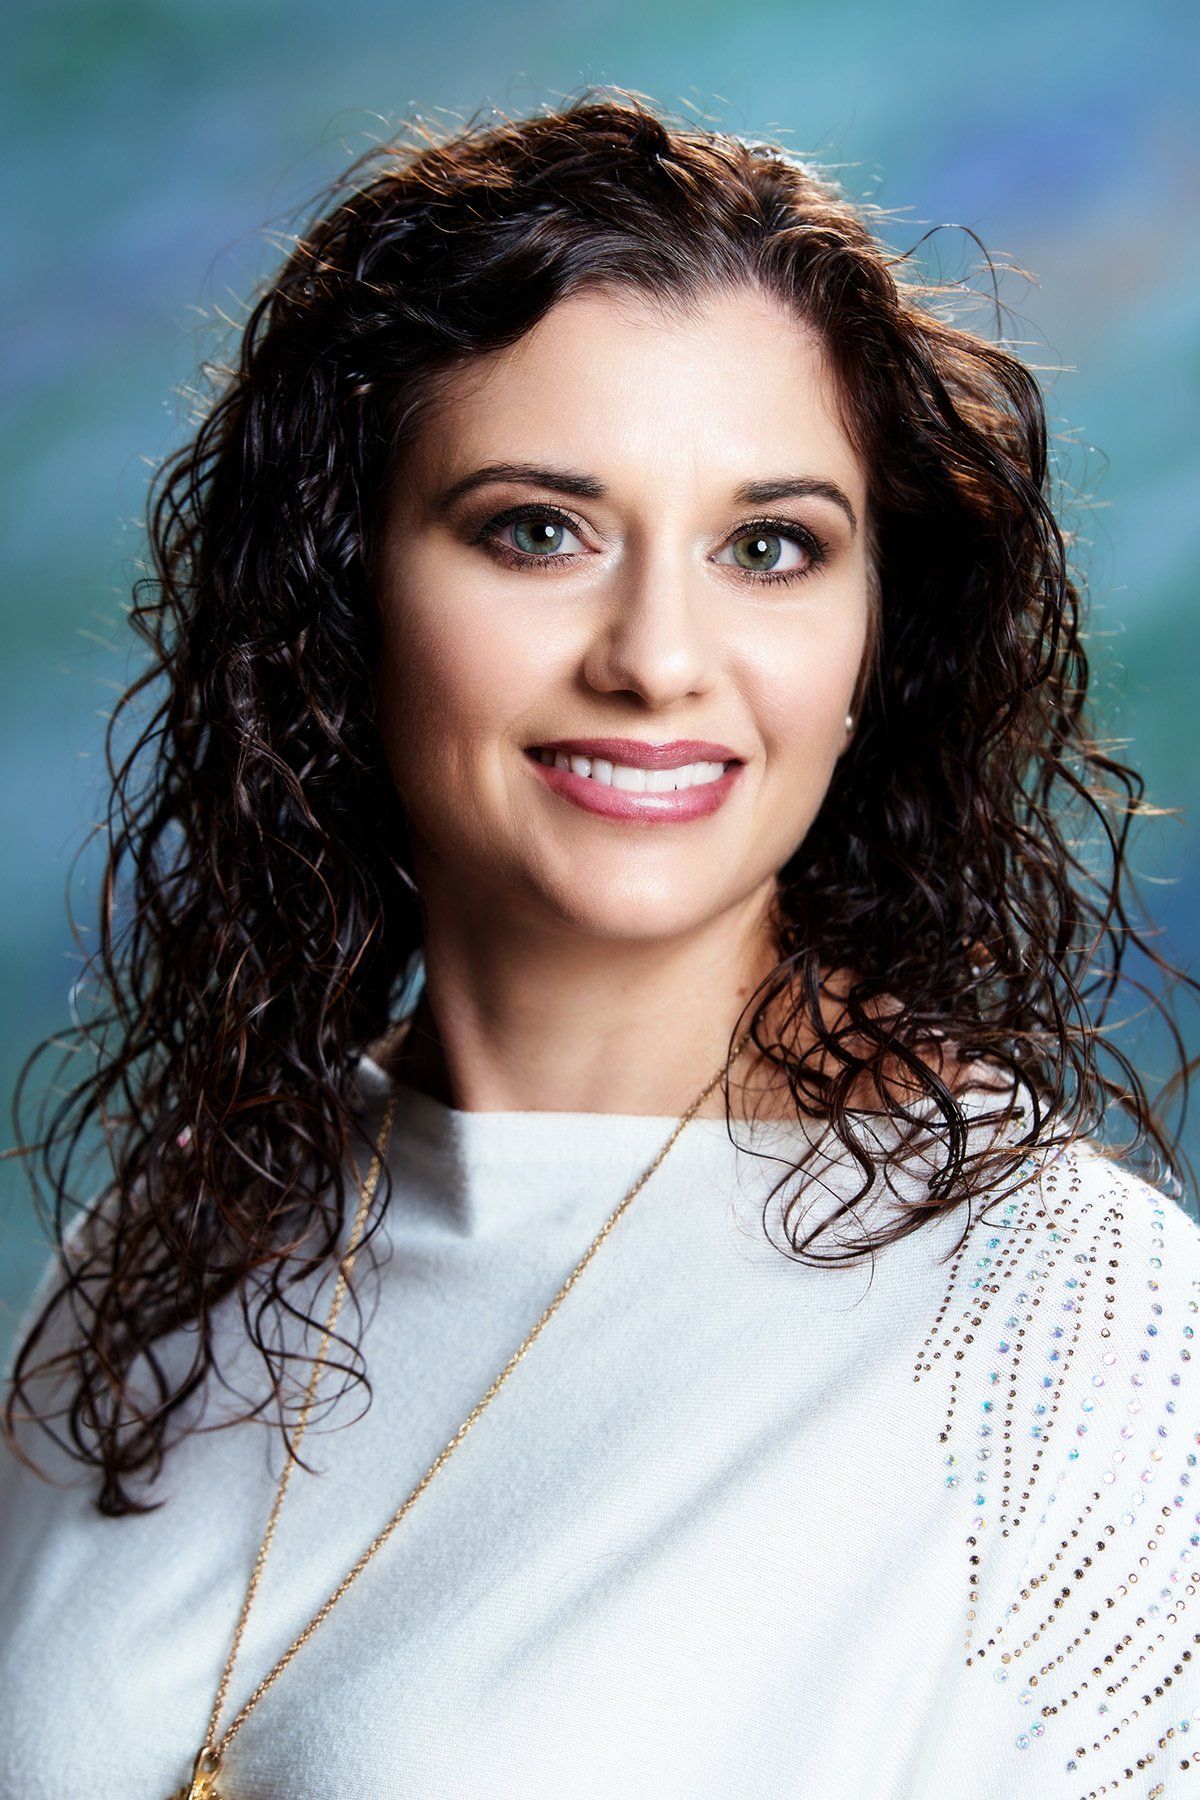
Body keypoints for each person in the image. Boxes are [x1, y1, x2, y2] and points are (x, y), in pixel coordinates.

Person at [1, 86, 1197, 1800]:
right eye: (537, 530)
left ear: (874, 639)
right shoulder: (164, 1248)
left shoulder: (1077, 1336)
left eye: (769, 548)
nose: (657, 656)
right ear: (348, 595)